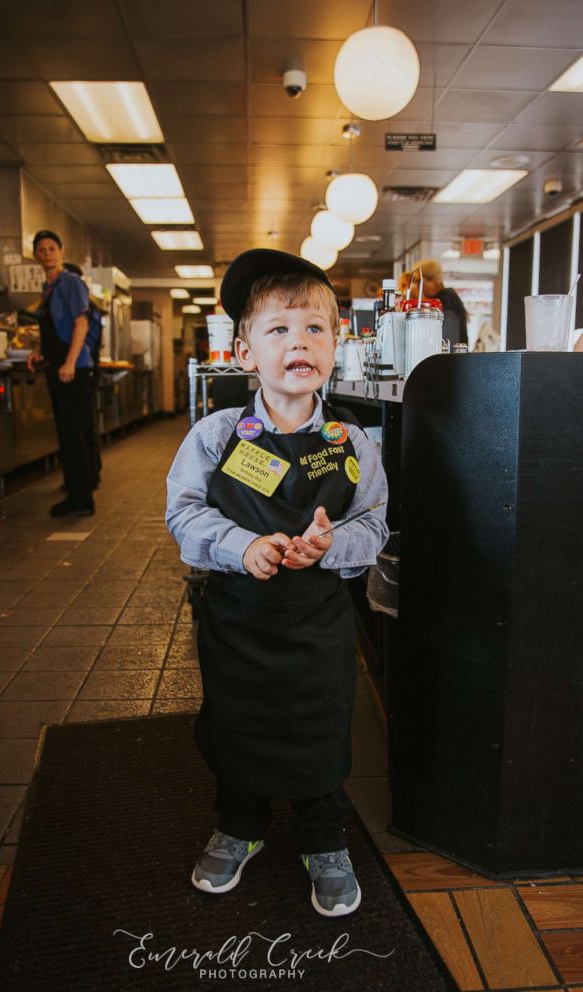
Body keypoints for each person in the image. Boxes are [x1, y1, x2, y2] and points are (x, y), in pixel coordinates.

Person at [166, 248, 388, 917]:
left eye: (315, 329)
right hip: (235, 618)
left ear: (336, 345)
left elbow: (373, 523)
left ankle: (324, 838)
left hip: (317, 620)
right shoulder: (215, 435)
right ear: (244, 354)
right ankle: (239, 825)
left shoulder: (352, 441)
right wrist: (243, 545)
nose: (300, 342)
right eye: (279, 330)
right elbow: (183, 514)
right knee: (238, 721)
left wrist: (330, 545)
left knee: (319, 723)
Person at [27, 230, 96, 517]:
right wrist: (40, 353)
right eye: (41, 249)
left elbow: (80, 325)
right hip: (58, 369)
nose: (47, 254)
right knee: (66, 435)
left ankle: (82, 499)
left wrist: (69, 362)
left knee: (74, 435)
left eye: (51, 248)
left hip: (73, 371)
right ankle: (74, 490)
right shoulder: (48, 287)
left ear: (61, 252)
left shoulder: (70, 283)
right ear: (35, 255)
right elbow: (56, 329)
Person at [63, 261, 103, 490]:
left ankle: (88, 475)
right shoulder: (91, 308)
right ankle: (91, 471)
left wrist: (69, 362)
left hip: (82, 368)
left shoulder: (85, 311)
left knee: (82, 425)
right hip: (88, 366)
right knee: (87, 423)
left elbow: (86, 338)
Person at [413, 258, 469, 347]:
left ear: (432, 280)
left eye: (418, 281)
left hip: (450, 358)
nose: (416, 286)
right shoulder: (448, 297)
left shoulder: (446, 300)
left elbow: (448, 337)